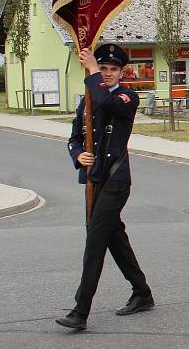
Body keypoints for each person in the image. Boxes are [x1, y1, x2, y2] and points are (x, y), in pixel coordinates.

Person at [56, 44, 153, 331]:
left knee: (95, 242)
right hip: (95, 181)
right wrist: (78, 155)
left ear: (122, 73)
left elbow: (107, 102)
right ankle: (142, 293)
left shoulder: (126, 97)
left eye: (113, 70)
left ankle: (80, 311)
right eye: (104, 68)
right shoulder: (87, 99)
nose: (108, 73)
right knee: (114, 240)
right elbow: (74, 137)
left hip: (116, 180)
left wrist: (93, 72)